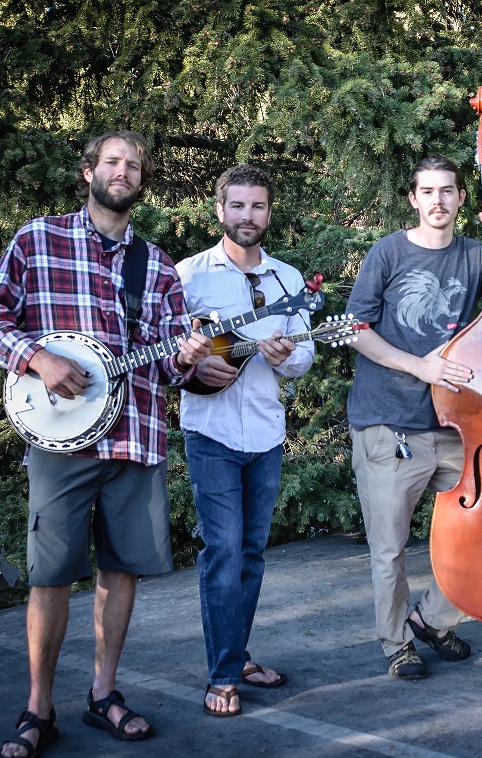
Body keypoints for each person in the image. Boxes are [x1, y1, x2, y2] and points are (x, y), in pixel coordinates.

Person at [0, 131, 212, 758]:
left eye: (134, 165)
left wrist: (187, 357)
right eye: (112, 162)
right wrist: (39, 360)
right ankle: (38, 708)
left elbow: (169, 364)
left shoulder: (155, 265)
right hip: (60, 443)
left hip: (134, 437)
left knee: (122, 568)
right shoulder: (38, 239)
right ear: (88, 172)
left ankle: (104, 694)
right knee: (50, 576)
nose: (123, 172)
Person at [345, 155, 482, 679]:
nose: (438, 200)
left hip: (458, 429)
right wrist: (420, 366)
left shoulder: (477, 254)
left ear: (462, 198)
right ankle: (396, 646)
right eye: (428, 191)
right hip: (389, 424)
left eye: (448, 191)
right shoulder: (388, 252)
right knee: (390, 550)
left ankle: (432, 621)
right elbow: (355, 327)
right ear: (413, 199)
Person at [176, 164, 315, 716]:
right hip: (209, 431)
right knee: (223, 550)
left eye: (257, 206)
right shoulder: (188, 275)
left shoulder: (287, 279)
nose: (247, 216)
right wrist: (201, 360)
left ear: (268, 212)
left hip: (265, 433)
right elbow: (173, 350)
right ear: (219, 210)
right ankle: (223, 675)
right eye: (238, 206)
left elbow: (304, 354)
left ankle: (237, 654)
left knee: (252, 553)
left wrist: (287, 358)